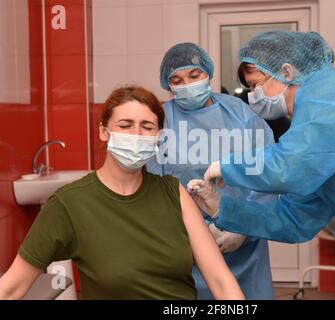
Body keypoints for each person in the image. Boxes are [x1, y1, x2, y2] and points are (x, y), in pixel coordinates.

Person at [197, 31, 335, 300]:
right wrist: (225, 210)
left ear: (286, 71)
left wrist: (229, 166)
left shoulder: (329, 89)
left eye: (256, 85)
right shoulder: (314, 138)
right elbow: (295, 220)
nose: (254, 96)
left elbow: (290, 167)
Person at [0, 85, 244, 300]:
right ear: (104, 132)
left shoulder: (173, 193)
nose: (136, 135)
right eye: (125, 125)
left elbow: (220, 280)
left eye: (147, 127)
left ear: (159, 138)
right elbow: (11, 289)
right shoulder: (69, 204)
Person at [147, 43, 275, 299]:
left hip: (246, 242)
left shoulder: (239, 113)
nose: (187, 84)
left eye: (194, 76)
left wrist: (244, 229)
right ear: (167, 84)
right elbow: (152, 187)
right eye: (177, 79)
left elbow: (267, 173)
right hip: (186, 245)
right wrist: (191, 233)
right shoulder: (162, 120)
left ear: (207, 73)